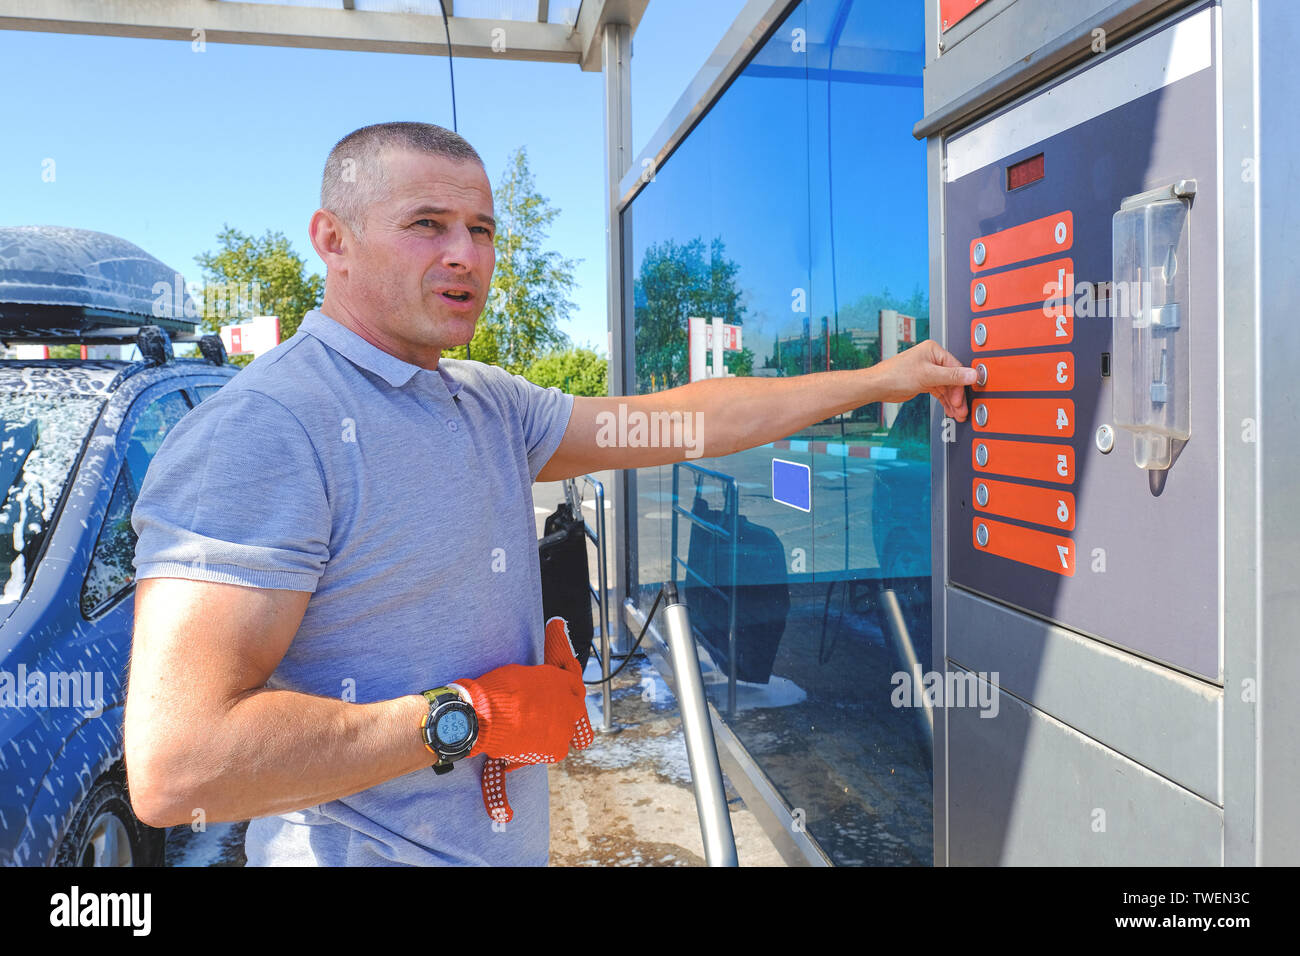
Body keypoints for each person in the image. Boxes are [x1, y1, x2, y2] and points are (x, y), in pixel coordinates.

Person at [124, 121, 974, 866]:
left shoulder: (485, 401)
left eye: (481, 229)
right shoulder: (264, 429)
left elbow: (682, 421)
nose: (466, 254)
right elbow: (180, 763)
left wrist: (876, 378)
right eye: (427, 225)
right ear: (331, 239)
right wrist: (471, 714)